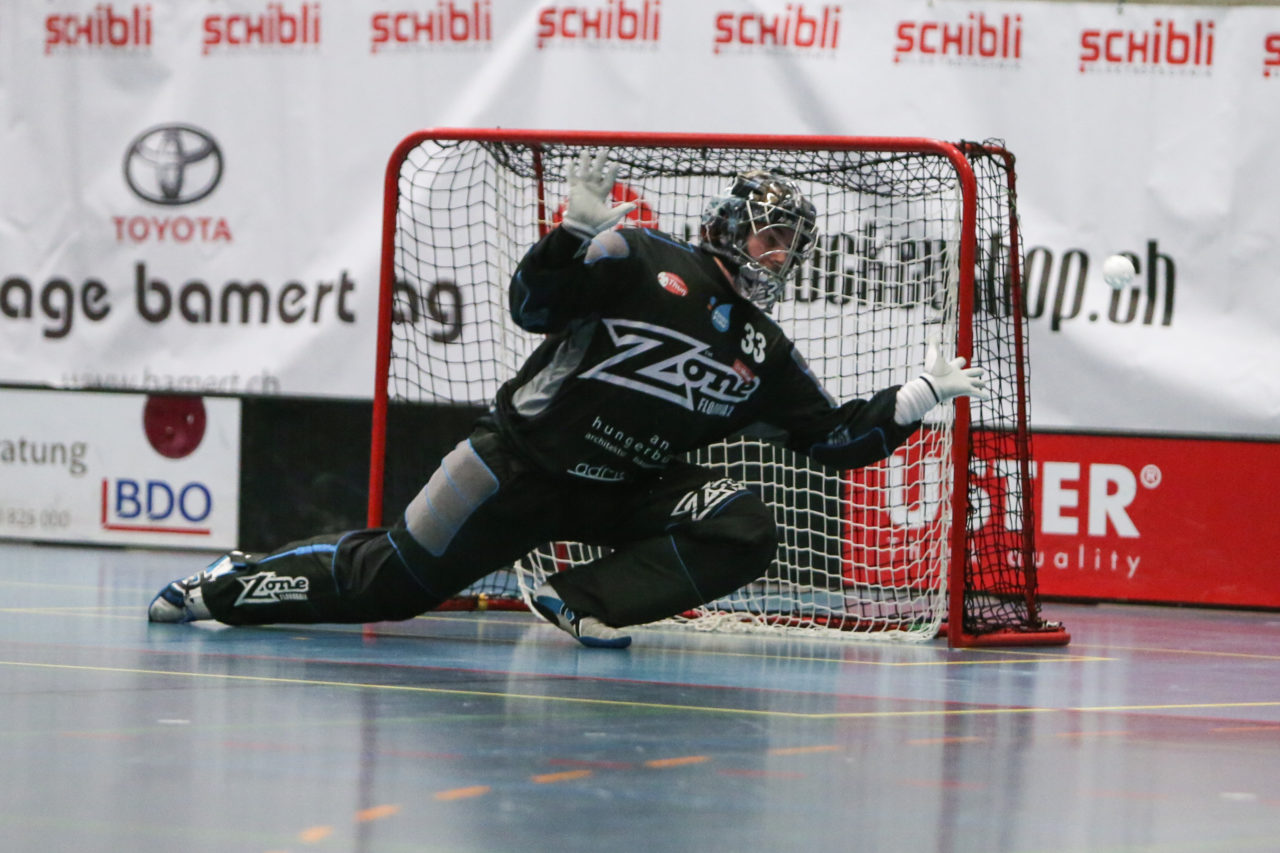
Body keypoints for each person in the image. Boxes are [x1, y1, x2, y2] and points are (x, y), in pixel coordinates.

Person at [148, 151, 988, 649]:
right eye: (772, 234)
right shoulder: (639, 255)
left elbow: (830, 438)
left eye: (792, 245)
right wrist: (567, 240)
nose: (780, 254)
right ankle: (228, 584)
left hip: (621, 496)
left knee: (743, 524)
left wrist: (913, 398)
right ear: (731, 225)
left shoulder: (762, 350)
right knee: (392, 584)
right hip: (514, 467)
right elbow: (532, 306)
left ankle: (581, 599)